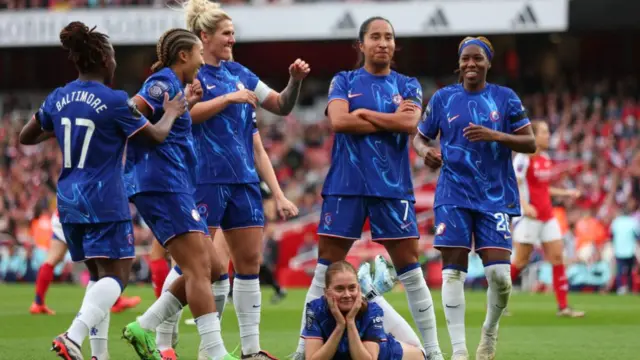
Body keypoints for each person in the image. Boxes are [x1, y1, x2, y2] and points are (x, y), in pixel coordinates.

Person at [18, 21, 186, 360]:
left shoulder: (59, 96)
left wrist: (62, 130)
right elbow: (154, 136)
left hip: (68, 198)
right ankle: (73, 336)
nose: (114, 62)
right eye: (112, 57)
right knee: (117, 277)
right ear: (103, 60)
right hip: (103, 198)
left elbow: (26, 136)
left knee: (98, 279)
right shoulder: (114, 101)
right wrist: (170, 113)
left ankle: (99, 355)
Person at [152, 1, 306, 359]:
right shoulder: (188, 72)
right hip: (203, 178)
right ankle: (161, 330)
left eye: (233, 33)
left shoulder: (240, 72)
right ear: (204, 36)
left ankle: (250, 350)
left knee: (249, 264)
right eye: (226, 33)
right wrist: (229, 98)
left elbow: (281, 105)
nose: (232, 39)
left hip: (243, 181)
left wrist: (295, 82)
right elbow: (185, 114)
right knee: (196, 265)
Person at [295, 16, 443, 360]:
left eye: (389, 37)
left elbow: (409, 123)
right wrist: (386, 117)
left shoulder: (407, 84)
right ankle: (303, 351)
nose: (383, 43)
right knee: (324, 269)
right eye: (375, 37)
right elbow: (339, 121)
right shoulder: (344, 79)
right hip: (346, 184)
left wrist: (363, 113)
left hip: (392, 188)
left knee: (410, 269)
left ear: (395, 45)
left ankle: (434, 353)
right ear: (360, 45)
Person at [413, 36, 537, 360]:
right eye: (466, 58)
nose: (471, 64)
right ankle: (459, 351)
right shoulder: (442, 98)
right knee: (453, 271)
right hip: (452, 193)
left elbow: (531, 142)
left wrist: (495, 135)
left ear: (488, 63)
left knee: (500, 277)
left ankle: (490, 329)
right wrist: (425, 151)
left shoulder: (505, 98)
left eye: (477, 59)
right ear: (459, 62)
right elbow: (419, 137)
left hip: (494, 196)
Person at [121, 28, 234, 360]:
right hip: (161, 185)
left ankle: (144, 325)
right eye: (199, 52)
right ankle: (215, 353)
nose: (203, 58)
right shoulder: (161, 83)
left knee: (212, 268)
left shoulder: (175, 89)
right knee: (199, 269)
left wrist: (184, 108)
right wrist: (169, 115)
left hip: (174, 185)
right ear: (184, 55)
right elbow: (130, 110)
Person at [511, 120, 585, 316]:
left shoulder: (544, 158)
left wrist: (566, 193)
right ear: (533, 136)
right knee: (520, 262)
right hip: (528, 218)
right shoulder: (522, 159)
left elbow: (543, 188)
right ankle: (496, 301)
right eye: (544, 132)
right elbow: (515, 184)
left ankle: (563, 307)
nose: (548, 135)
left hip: (547, 216)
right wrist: (525, 206)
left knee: (557, 257)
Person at [302, 260, 425, 360]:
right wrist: (340, 326)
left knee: (422, 352)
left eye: (352, 288)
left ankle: (373, 293)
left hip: (393, 356)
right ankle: (372, 291)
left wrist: (350, 322)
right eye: (339, 289)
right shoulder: (315, 309)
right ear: (326, 292)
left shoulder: (371, 311)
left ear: (358, 289)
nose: (346, 294)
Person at [30, 211, 142, 316]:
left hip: (63, 213)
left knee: (53, 257)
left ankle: (38, 303)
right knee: (99, 261)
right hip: (81, 215)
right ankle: (115, 301)